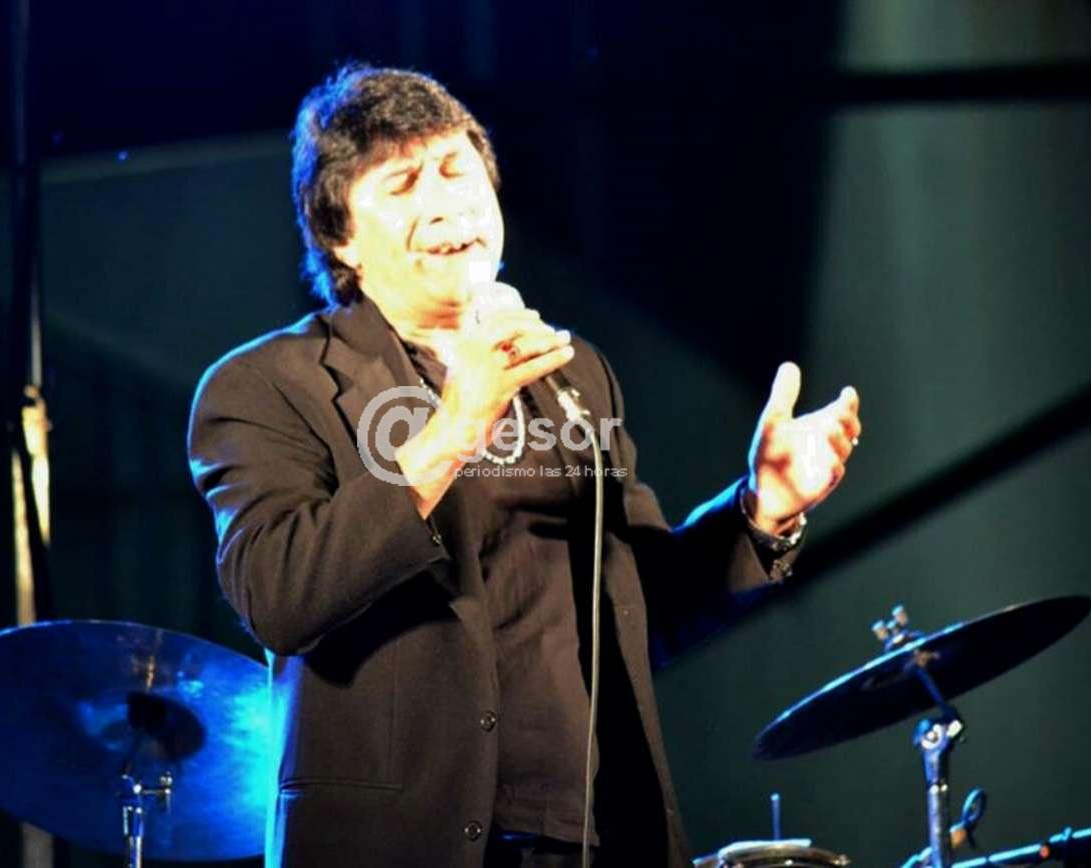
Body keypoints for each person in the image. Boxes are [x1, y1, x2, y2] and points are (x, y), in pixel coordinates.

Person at [187, 64, 861, 868]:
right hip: (404, 843)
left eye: (456, 169)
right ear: (341, 238)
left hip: (597, 836)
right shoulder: (268, 384)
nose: (446, 204)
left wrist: (762, 509)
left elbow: (642, 612)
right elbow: (278, 594)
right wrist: (455, 424)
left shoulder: (575, 373)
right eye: (402, 184)